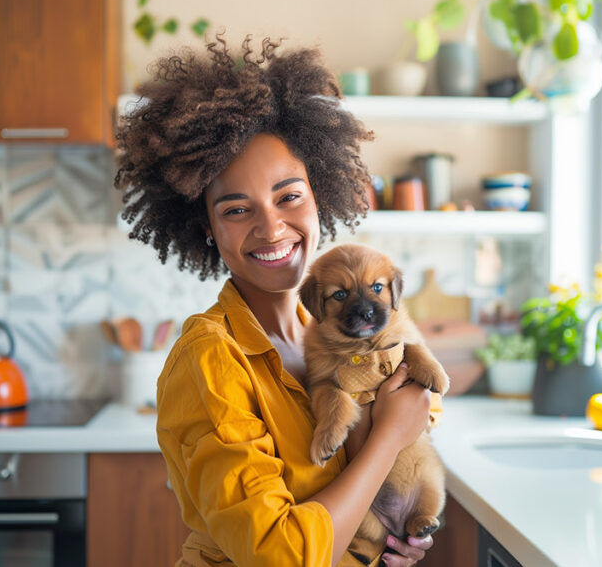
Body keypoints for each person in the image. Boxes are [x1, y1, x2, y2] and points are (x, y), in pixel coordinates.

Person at [114, 35, 438, 567]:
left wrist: (391, 534)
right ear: (208, 227)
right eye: (237, 209)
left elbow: (419, 404)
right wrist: (386, 441)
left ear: (320, 195)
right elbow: (281, 556)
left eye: (289, 196)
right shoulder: (212, 358)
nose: (271, 229)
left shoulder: (335, 323)